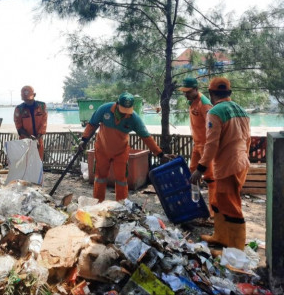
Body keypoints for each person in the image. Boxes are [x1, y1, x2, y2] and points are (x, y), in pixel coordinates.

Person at [189, 77, 251, 254]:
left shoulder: (215, 112)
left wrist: (200, 169)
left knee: (232, 207)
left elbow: (211, 143)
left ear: (211, 93)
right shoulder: (241, 110)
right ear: (229, 93)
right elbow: (248, 140)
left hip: (228, 165)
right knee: (218, 202)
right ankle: (221, 236)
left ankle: (236, 250)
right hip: (239, 163)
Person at [79, 92, 175, 202]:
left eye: (127, 110)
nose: (125, 114)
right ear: (117, 104)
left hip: (121, 152)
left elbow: (146, 137)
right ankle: (97, 202)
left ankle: (121, 204)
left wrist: (160, 154)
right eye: (123, 110)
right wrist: (84, 140)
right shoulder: (104, 109)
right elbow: (92, 124)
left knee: (121, 179)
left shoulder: (134, 118)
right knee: (100, 178)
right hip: (102, 150)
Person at [178, 77, 216, 218]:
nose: (185, 94)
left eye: (188, 91)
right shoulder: (192, 102)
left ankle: (214, 212)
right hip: (197, 144)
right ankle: (193, 205)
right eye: (184, 91)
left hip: (206, 146)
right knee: (191, 174)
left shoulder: (205, 104)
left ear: (196, 89)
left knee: (211, 179)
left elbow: (212, 127)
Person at [14, 85, 48, 159]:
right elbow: (19, 127)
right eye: (25, 100)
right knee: (25, 163)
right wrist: (30, 137)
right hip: (24, 141)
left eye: (29, 99)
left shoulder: (42, 106)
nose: (27, 102)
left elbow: (44, 123)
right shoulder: (19, 109)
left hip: (39, 140)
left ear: (34, 95)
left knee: (38, 162)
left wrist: (37, 138)